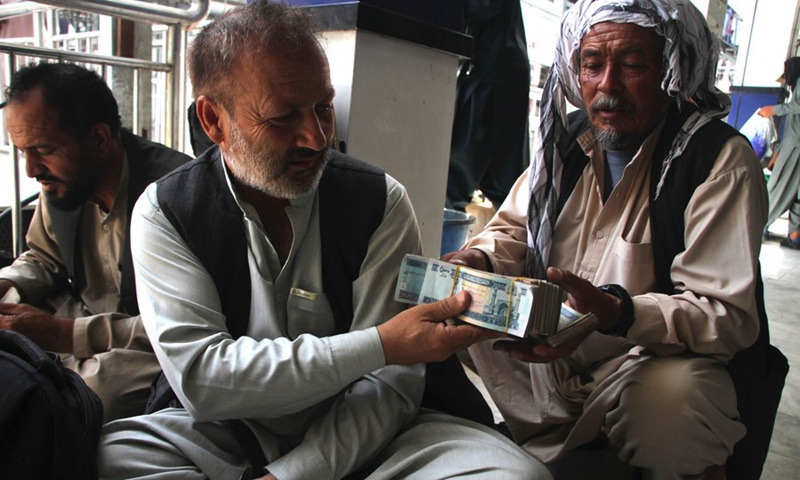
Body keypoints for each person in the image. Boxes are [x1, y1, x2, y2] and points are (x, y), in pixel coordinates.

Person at [96, 2, 551, 479]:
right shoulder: (165, 210)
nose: (316, 138)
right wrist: (381, 344)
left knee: (516, 476)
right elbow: (205, 383)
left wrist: (294, 474)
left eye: (323, 108)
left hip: (374, 433)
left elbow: (391, 385)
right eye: (283, 117)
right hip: (228, 431)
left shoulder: (380, 201)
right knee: (108, 456)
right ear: (214, 121)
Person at [444, 0, 773, 478]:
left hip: (640, 366)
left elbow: (724, 314)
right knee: (445, 313)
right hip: (552, 362)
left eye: (634, 64)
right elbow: (515, 228)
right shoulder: (569, 139)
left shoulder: (715, 159)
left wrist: (619, 313)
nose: (607, 86)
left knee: (672, 409)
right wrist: (479, 257)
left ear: (671, 71)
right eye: (592, 64)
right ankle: (549, 447)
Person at [0, 62, 191, 422]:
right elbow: (43, 258)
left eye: (42, 149)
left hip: (145, 343)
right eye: (23, 150)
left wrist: (62, 335)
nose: (30, 169)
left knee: (94, 395)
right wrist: (8, 283)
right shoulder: (62, 180)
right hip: (78, 319)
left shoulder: (176, 196)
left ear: (100, 140)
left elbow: (180, 323)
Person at [445, 0, 530, 212]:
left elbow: (484, 6)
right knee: (502, 179)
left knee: (457, 179)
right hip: (496, 68)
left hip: (493, 72)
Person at [758, 57, 800, 250]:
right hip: (793, 145)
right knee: (797, 194)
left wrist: (773, 110)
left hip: (796, 147)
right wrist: (778, 151)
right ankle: (795, 235)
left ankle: (758, 225)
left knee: (776, 186)